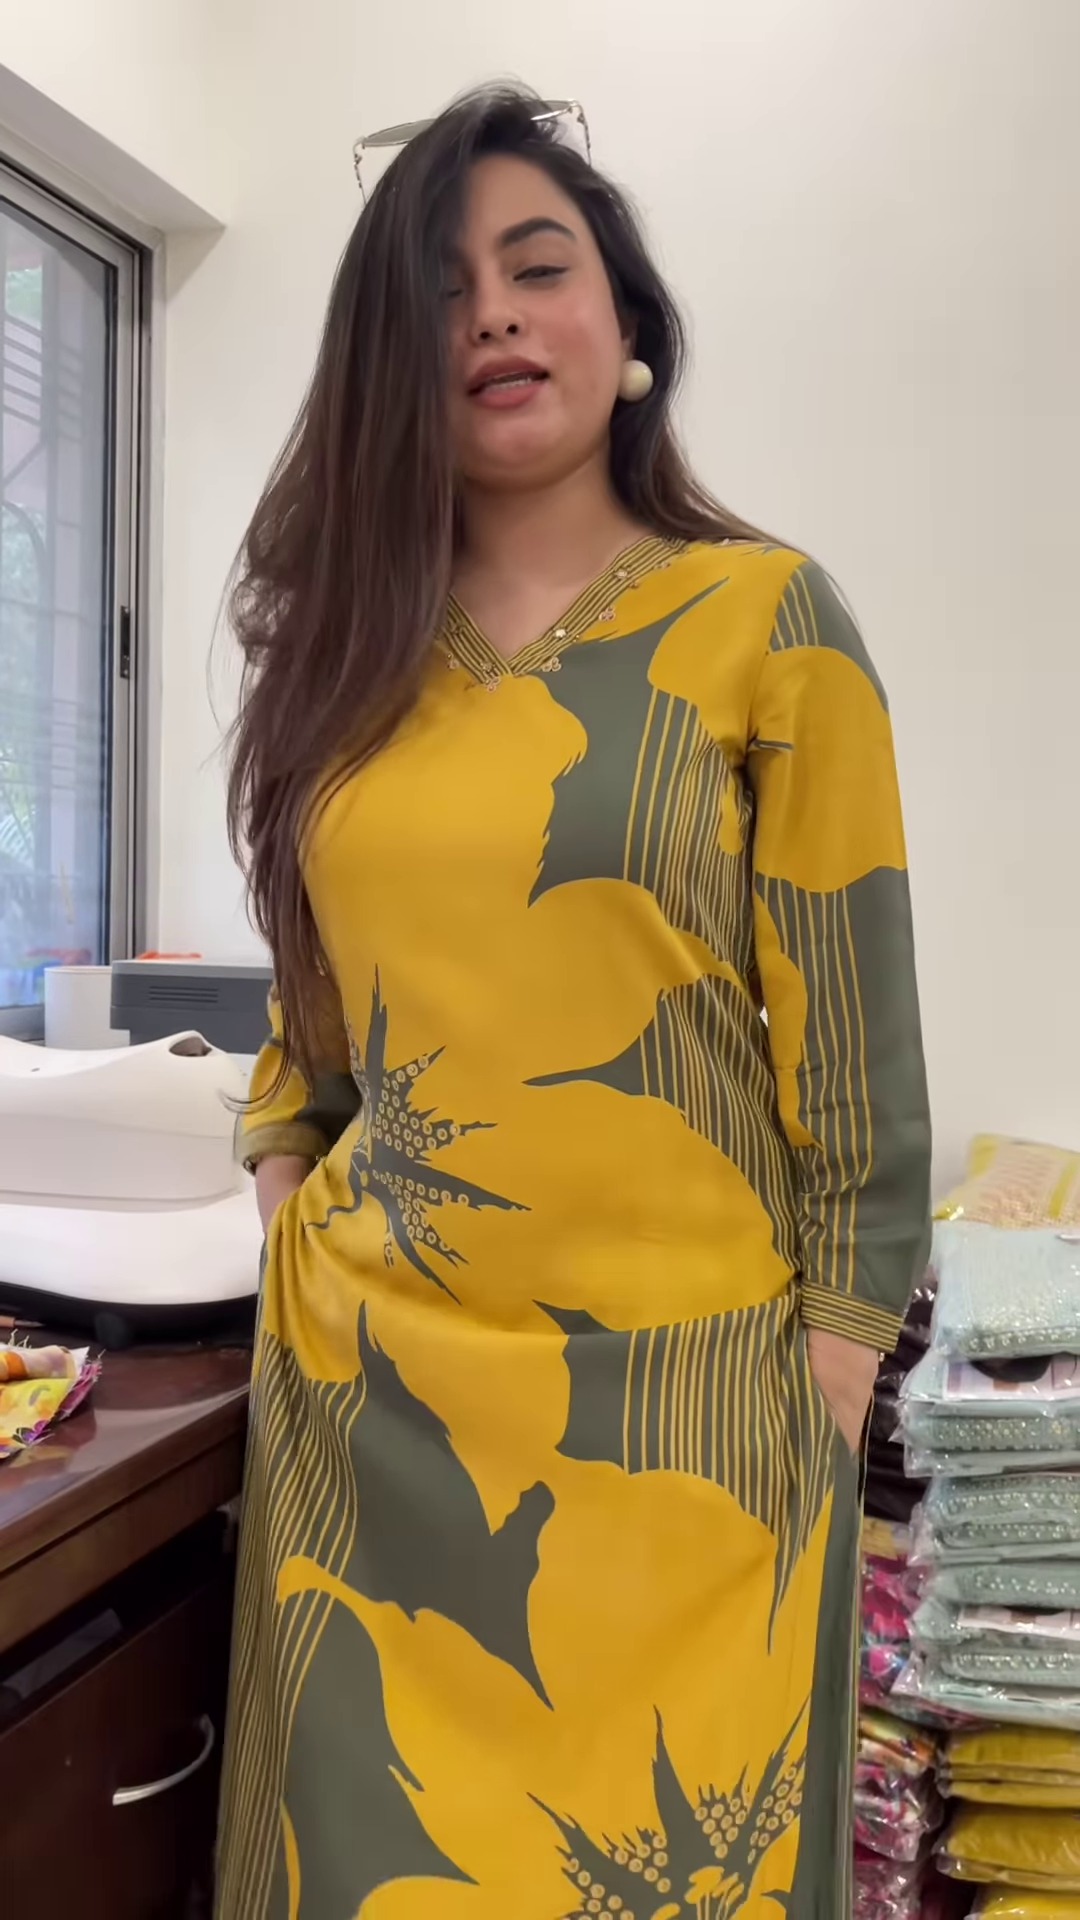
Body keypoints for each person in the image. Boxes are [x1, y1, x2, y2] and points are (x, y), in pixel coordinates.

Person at [216, 83, 931, 1920]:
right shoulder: (345, 658)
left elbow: (856, 1065)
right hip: (376, 1425)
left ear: (629, 331)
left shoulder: (765, 621)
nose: (494, 317)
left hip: (693, 1443)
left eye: (538, 269)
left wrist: (829, 1374)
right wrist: (291, 1202)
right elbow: (310, 1035)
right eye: (441, 293)